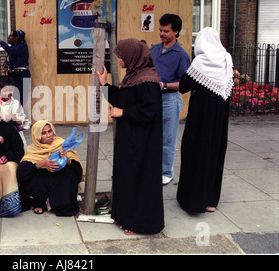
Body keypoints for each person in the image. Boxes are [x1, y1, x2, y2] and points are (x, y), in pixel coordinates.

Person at [96, 38, 164, 235]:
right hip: (132, 140)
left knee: (139, 179)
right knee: (128, 177)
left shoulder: (147, 80)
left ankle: (139, 224)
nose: (118, 60)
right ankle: (126, 217)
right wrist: (105, 85)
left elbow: (149, 110)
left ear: (132, 56)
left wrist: (123, 113)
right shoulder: (134, 76)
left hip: (142, 144)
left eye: (120, 56)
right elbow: (124, 98)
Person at [176, 27, 233, 213]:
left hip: (200, 121)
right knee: (214, 154)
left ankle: (192, 201)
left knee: (195, 153)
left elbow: (184, 85)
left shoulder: (200, 62)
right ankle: (210, 201)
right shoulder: (226, 59)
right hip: (219, 121)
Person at [150, 13, 190, 185]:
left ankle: (167, 172)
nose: (161, 34)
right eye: (160, 30)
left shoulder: (181, 55)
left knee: (167, 138)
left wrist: (164, 86)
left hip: (169, 100)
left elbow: (185, 83)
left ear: (176, 32)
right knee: (152, 136)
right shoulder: (154, 49)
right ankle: (152, 170)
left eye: (166, 31)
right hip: (152, 98)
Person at [17, 120, 83, 216]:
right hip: (43, 181)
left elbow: (78, 171)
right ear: (37, 136)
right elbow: (21, 173)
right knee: (30, 174)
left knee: (70, 174)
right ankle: (41, 202)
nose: (48, 135)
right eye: (43, 133)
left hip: (59, 179)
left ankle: (59, 204)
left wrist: (67, 159)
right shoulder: (32, 149)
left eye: (50, 131)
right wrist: (42, 163)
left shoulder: (62, 144)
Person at [0, 30, 31, 112]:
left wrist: (2, 43)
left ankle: (24, 120)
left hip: (22, 75)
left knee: (23, 99)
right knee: (13, 98)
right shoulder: (13, 47)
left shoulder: (22, 46)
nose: (8, 38)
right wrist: (7, 63)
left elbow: (13, 52)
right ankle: (14, 119)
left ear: (16, 38)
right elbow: (12, 56)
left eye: (10, 36)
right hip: (13, 75)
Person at [0, 75, 31, 149]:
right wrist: (7, 117)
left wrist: (20, 120)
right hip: (4, 136)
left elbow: (22, 116)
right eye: (5, 91)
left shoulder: (17, 103)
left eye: (11, 90)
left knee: (22, 151)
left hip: (18, 135)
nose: (8, 93)